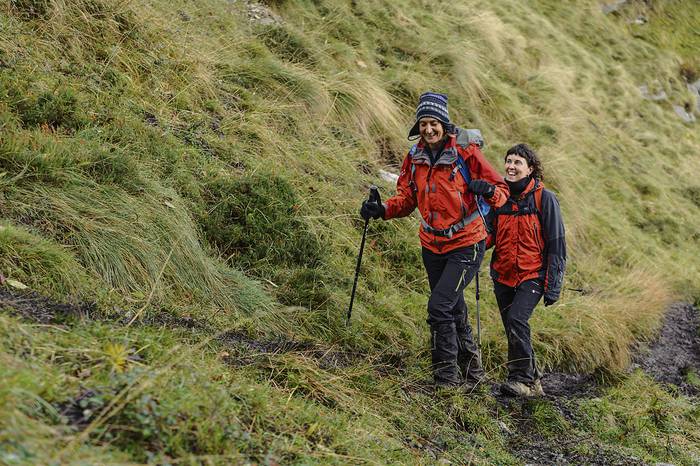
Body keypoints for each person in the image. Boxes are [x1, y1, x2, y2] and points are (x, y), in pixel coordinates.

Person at [360, 92, 508, 387]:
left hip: (468, 243)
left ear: (444, 123)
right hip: (432, 245)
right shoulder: (414, 158)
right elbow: (406, 198)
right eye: (424, 123)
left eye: (434, 123)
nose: (429, 129)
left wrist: (488, 191)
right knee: (452, 307)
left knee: (439, 306)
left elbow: (501, 190)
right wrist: (382, 209)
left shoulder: (466, 153)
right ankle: (472, 373)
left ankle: (446, 379)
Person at [487, 143, 566, 397]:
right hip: (503, 274)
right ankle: (530, 381)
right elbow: (488, 235)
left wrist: (553, 285)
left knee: (516, 320)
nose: (511, 166)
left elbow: (556, 244)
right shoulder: (499, 197)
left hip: (533, 275)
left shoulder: (545, 199)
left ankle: (523, 379)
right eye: (508, 161)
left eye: (517, 162)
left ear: (530, 169)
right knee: (512, 326)